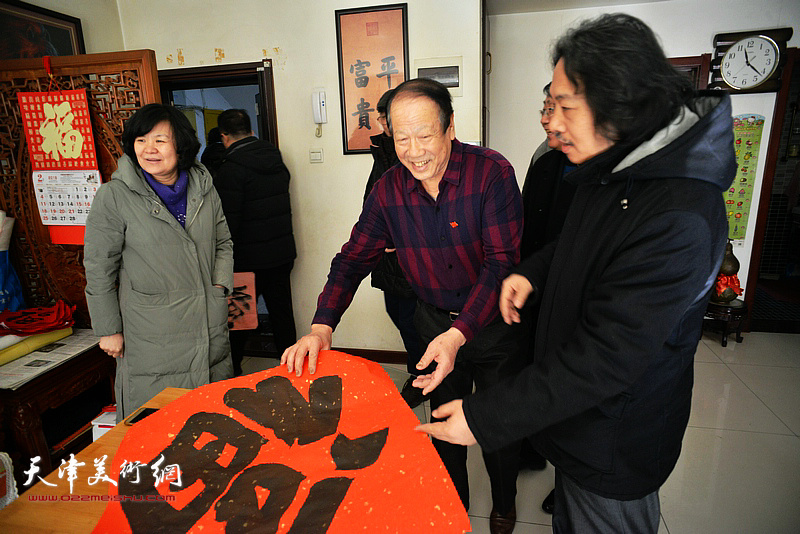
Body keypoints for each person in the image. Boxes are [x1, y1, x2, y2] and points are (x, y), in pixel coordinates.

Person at [418, 13, 736, 533]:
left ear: (622, 102)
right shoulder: (614, 165)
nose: (552, 122)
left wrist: (486, 416)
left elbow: (606, 359)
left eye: (565, 105)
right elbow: (578, 244)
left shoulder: (682, 215)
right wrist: (534, 272)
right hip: (574, 418)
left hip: (615, 437)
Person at [282, 78, 525, 533]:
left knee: (496, 424)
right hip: (433, 323)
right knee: (442, 427)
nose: (414, 151)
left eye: (425, 135)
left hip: (492, 325)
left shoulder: (491, 172)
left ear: (450, 127)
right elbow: (353, 258)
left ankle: (505, 503)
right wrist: (321, 327)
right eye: (401, 138)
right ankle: (453, 508)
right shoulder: (390, 189)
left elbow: (501, 265)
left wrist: (460, 335)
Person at [84, 103, 234, 422]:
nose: (149, 149)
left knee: (210, 426)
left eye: (160, 140)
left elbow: (223, 242)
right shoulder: (114, 196)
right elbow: (98, 267)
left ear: (181, 145)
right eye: (141, 140)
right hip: (151, 332)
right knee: (160, 429)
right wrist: (108, 329)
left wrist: (218, 287)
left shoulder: (204, 186)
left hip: (207, 320)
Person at [517, 84, 578, 509]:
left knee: (569, 379)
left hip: (574, 294)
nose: (547, 118)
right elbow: (532, 224)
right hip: (538, 286)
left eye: (557, 108)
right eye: (544, 107)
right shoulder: (545, 156)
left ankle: (570, 477)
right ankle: (534, 447)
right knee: (534, 365)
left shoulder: (603, 169)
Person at [215, 108, 297, 375]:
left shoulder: (230, 169)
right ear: (251, 130)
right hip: (281, 253)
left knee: (239, 318)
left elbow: (228, 223)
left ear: (224, 136)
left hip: (246, 260)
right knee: (282, 315)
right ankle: (293, 369)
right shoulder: (275, 157)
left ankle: (233, 372)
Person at [363, 89, 430, 408]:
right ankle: (421, 373)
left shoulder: (405, 152)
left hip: (408, 257)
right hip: (388, 256)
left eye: (383, 116)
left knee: (413, 320)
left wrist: (396, 239)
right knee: (401, 315)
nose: (381, 123)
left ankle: (422, 379)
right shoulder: (385, 150)